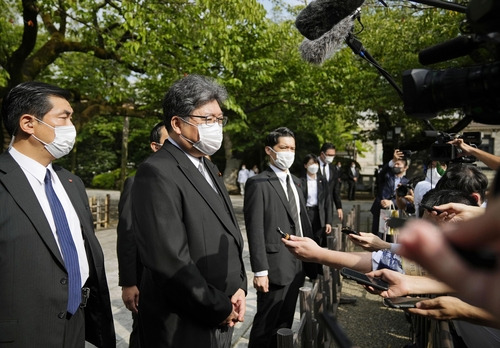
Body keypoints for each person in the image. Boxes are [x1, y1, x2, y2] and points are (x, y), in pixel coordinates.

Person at [131, 75, 247, 348]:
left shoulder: (206, 165)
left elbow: (228, 231)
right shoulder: (157, 172)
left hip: (222, 307)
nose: (216, 127)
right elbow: (169, 261)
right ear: (177, 123)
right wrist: (218, 306)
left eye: (220, 119)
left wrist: (238, 286)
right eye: (207, 119)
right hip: (183, 322)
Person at [0, 81, 115, 347]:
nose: (71, 127)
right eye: (63, 117)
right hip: (20, 334)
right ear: (28, 123)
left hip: (75, 325)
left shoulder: (71, 183)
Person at [244, 127, 314, 348]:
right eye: (283, 147)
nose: (289, 153)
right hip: (274, 265)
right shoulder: (258, 183)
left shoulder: (297, 182)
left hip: (299, 262)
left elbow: (302, 221)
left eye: (292, 148)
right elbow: (254, 228)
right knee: (266, 323)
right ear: (269, 150)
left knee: (285, 322)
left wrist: (314, 259)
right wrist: (260, 270)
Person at [116, 121, 168, 348]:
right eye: (170, 142)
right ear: (155, 147)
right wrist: (128, 282)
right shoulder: (136, 182)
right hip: (146, 280)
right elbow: (128, 235)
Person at [370, 149, 410, 235]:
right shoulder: (386, 176)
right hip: (380, 210)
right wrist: (393, 160)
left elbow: (407, 199)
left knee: (392, 238)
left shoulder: (407, 183)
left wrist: (392, 202)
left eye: (398, 164)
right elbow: (383, 172)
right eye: (395, 164)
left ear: (405, 167)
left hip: (396, 212)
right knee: (377, 236)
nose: (396, 166)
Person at [301, 153, 332, 249]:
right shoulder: (300, 181)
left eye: (316, 164)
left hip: (319, 214)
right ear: (305, 165)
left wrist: (328, 222)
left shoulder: (323, 181)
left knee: (318, 241)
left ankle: (318, 264)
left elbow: (328, 202)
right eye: (310, 164)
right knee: (306, 240)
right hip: (306, 213)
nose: (314, 166)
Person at [318, 143, 343, 222]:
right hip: (315, 207)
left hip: (328, 207)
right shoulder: (313, 165)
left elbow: (336, 189)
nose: (331, 157)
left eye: (333, 155)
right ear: (322, 154)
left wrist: (339, 207)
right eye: (329, 155)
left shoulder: (333, 169)